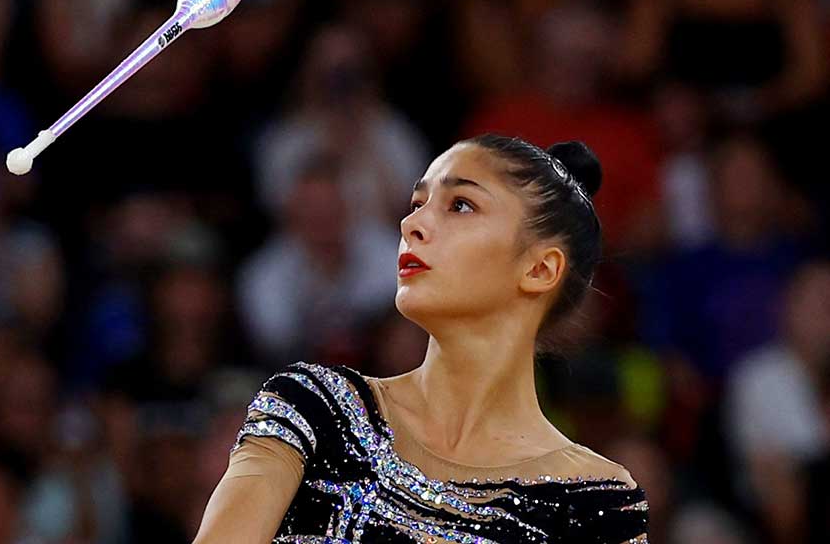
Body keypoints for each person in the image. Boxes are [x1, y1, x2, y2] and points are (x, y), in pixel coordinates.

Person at [193, 135, 649, 543]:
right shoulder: (316, 408)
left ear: (540, 269)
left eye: (460, 205)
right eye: (417, 203)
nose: (411, 225)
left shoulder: (596, 502)